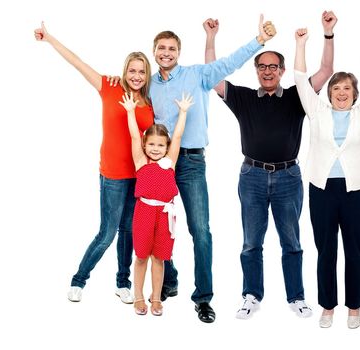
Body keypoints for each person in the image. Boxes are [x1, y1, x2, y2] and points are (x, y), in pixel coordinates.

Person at [204, 11, 337, 319]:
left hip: (288, 177)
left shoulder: (296, 97)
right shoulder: (244, 98)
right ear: (256, 70)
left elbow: (327, 69)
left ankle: (296, 297)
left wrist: (327, 33)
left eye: (272, 67)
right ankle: (251, 295)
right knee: (251, 241)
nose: (267, 72)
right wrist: (211, 39)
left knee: (292, 241)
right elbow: (212, 76)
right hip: (251, 176)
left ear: (282, 70)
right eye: (262, 66)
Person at [149, 15, 276, 323]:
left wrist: (258, 40)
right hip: (160, 163)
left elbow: (230, 63)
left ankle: (203, 298)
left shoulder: (197, 75)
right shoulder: (148, 84)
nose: (166, 53)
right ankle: (168, 279)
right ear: (154, 51)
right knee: (155, 227)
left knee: (200, 231)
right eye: (161, 48)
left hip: (191, 161)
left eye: (171, 49)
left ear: (179, 52)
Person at [34, 22, 154, 304]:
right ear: (124, 72)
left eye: (141, 71)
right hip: (112, 175)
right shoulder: (109, 87)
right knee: (107, 232)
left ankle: (122, 283)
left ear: (146, 75)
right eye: (132, 70)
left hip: (139, 176)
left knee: (128, 231)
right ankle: (79, 280)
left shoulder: (149, 102)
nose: (136, 75)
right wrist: (50, 38)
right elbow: (78, 62)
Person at [293, 29, 360, 329]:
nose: (341, 92)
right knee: (326, 249)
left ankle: (354, 306)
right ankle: (327, 305)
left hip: (355, 190)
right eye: (336, 87)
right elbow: (300, 80)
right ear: (330, 91)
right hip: (322, 188)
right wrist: (300, 45)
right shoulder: (317, 110)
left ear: (354, 93)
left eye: (346, 88)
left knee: (355, 248)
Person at [119, 92, 193, 316]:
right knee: (141, 256)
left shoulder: (170, 162)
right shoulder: (140, 162)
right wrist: (131, 112)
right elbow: (133, 137)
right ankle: (139, 296)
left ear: (166, 146)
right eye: (151, 144)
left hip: (164, 216)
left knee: (159, 258)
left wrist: (183, 113)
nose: (155, 148)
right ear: (145, 144)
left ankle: (156, 297)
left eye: (160, 145)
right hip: (143, 214)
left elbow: (178, 137)